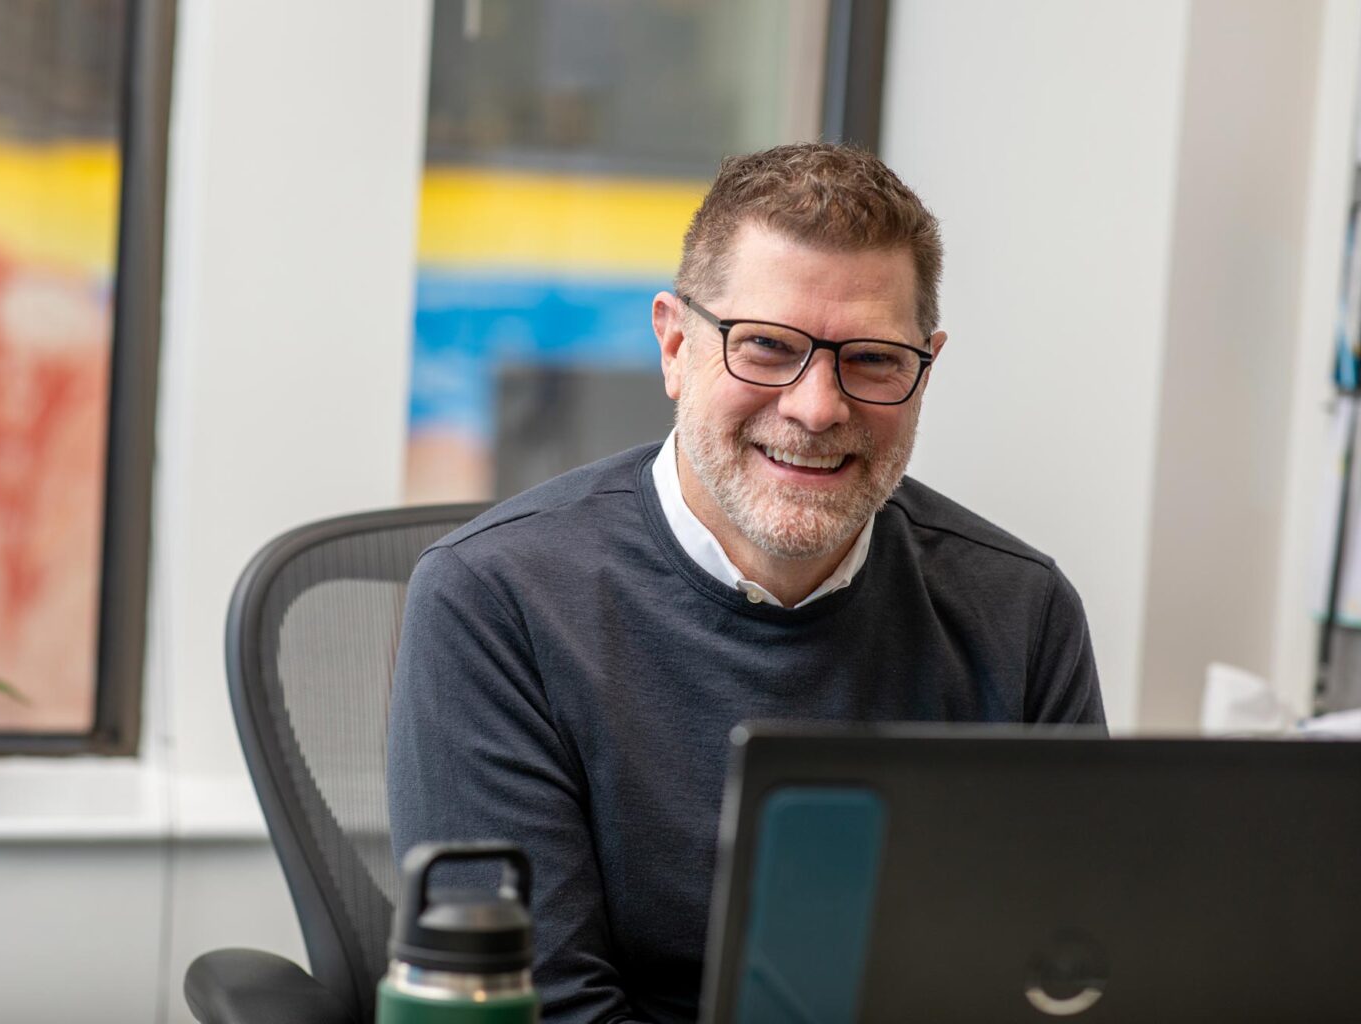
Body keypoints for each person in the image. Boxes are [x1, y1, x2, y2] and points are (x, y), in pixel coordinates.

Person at [387, 143, 1106, 1024]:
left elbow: (1064, 980)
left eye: (874, 360)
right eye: (766, 346)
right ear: (676, 345)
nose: (816, 407)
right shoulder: (494, 601)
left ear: (925, 368)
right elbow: (545, 1010)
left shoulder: (1021, 615)